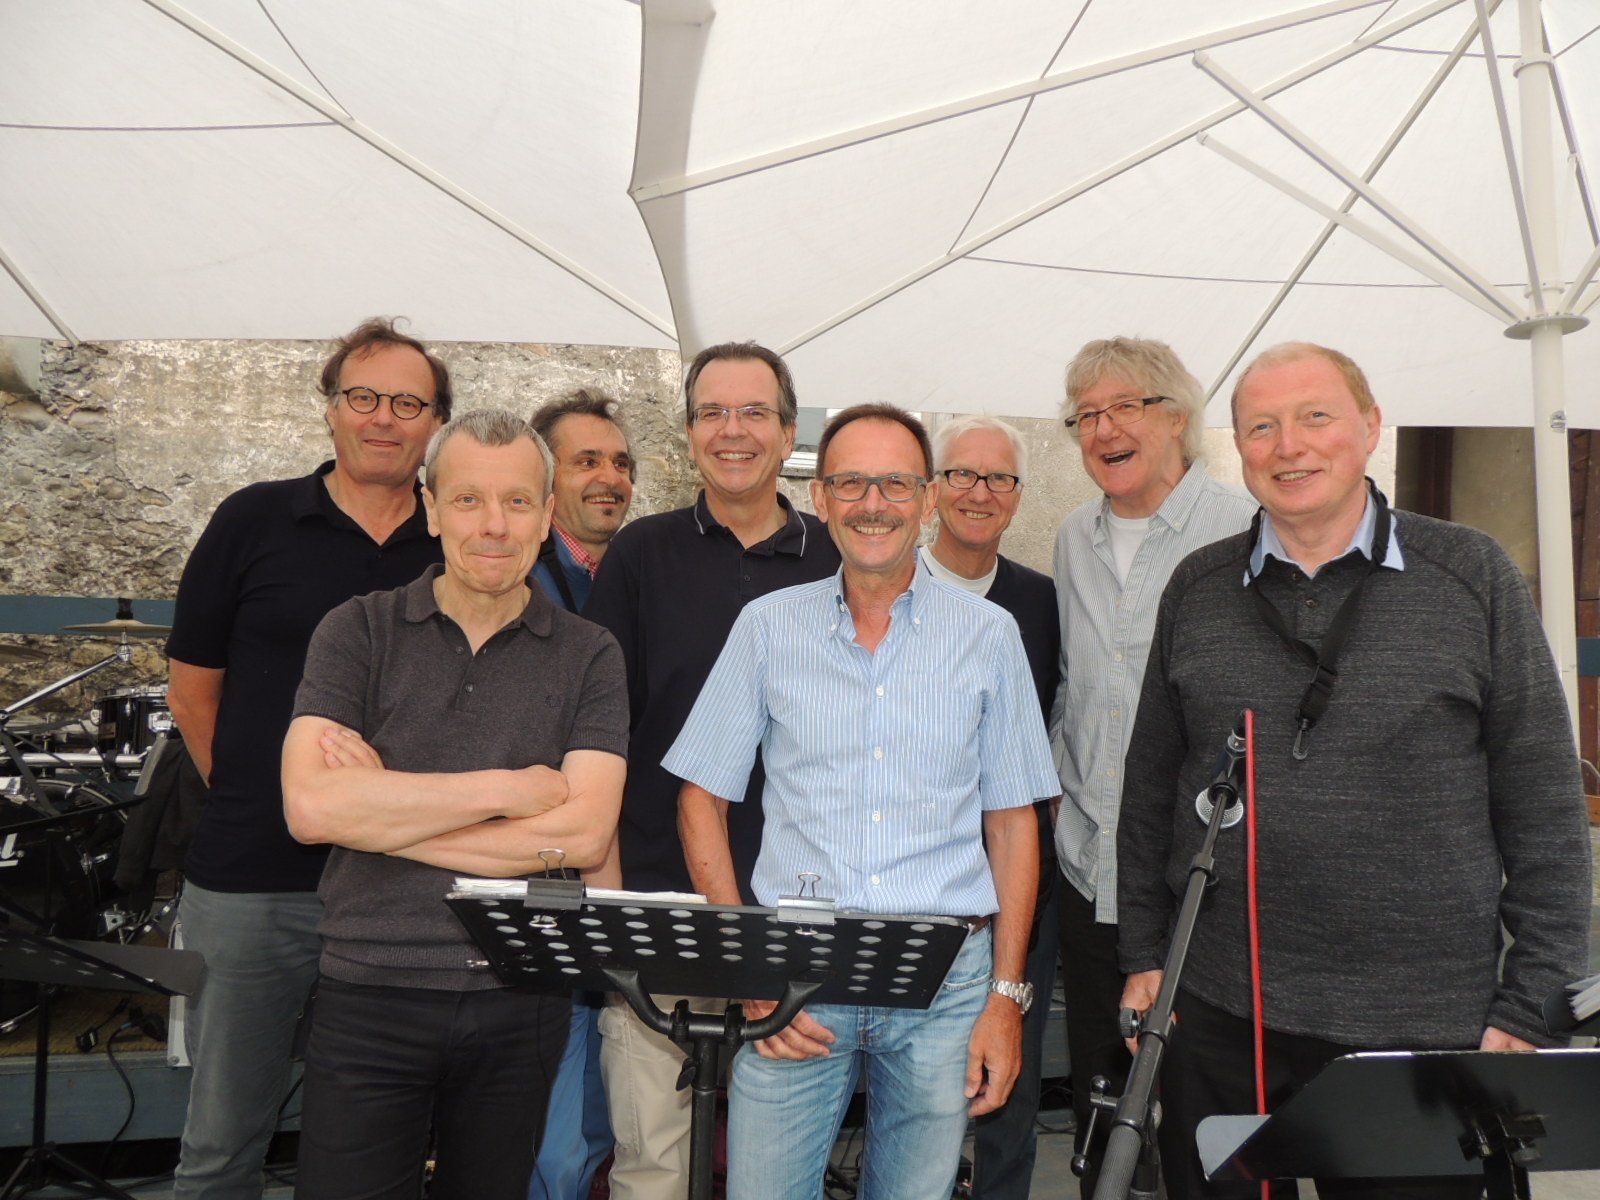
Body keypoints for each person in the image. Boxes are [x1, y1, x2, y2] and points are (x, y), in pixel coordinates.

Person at [1116, 342, 1593, 1200]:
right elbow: (1150, 789)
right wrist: (1145, 954)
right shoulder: (1198, 586)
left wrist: (1533, 1003)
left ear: (1371, 427)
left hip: (1422, 1031)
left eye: (1315, 417)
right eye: (1261, 427)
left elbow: (1545, 808)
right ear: (1237, 446)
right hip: (1222, 1015)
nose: (1289, 446)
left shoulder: (1473, 576)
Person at [668, 403, 1060, 1200]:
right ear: (819, 497)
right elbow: (699, 798)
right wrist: (746, 962)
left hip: (947, 982)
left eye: (894, 484)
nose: (872, 504)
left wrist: (1005, 998)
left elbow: (1014, 823)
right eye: (850, 483)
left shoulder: (990, 636)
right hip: (795, 978)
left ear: (927, 498)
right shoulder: (766, 628)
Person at [280, 409, 629, 1200]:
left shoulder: (590, 655)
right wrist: (508, 792)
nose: (494, 525)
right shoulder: (357, 631)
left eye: (517, 502)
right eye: (469, 500)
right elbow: (309, 808)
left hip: (521, 995)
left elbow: (583, 833)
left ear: (546, 515)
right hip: (370, 990)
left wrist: (383, 818)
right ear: (432, 508)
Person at [165, 317, 449, 1200]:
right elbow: (192, 692)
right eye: (363, 397)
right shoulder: (253, 519)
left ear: (437, 422)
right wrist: (269, 801)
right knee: (222, 1146)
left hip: (403, 888)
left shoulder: (456, 542)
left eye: (408, 403)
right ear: (330, 409)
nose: (383, 418)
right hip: (253, 883)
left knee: (373, 1148)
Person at [583, 341, 839, 1200]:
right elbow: (600, 735)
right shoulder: (639, 556)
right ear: (689, 433)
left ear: (789, 432)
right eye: (713, 413)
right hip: (663, 904)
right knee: (655, 1164)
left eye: (754, 412)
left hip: (804, 907)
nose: (733, 430)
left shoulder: (839, 560)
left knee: (779, 1173)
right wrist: (612, 901)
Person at [1048, 337, 1255, 1195]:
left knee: (1212, 1117)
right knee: (1104, 1107)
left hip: (1202, 880)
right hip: (1088, 867)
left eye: (1124, 407)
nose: (1103, 430)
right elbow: (1076, 686)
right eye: (1086, 416)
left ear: (1177, 418)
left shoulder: (1246, 529)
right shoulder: (1072, 538)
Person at [921, 415, 1060, 1200]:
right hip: (917, 872)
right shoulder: (892, 584)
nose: (980, 492)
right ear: (933, 490)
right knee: (918, 1081)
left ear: (1017, 495)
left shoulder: (1038, 601)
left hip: (1013, 872)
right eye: (963, 475)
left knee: (1013, 1070)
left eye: (999, 478)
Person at [526, 389, 635, 1200]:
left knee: (600, 1127)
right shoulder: (520, 581)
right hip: (546, 879)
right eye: (587, 460)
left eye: (622, 462)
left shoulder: (631, 574)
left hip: (620, 876)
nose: (610, 477)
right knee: (555, 1143)